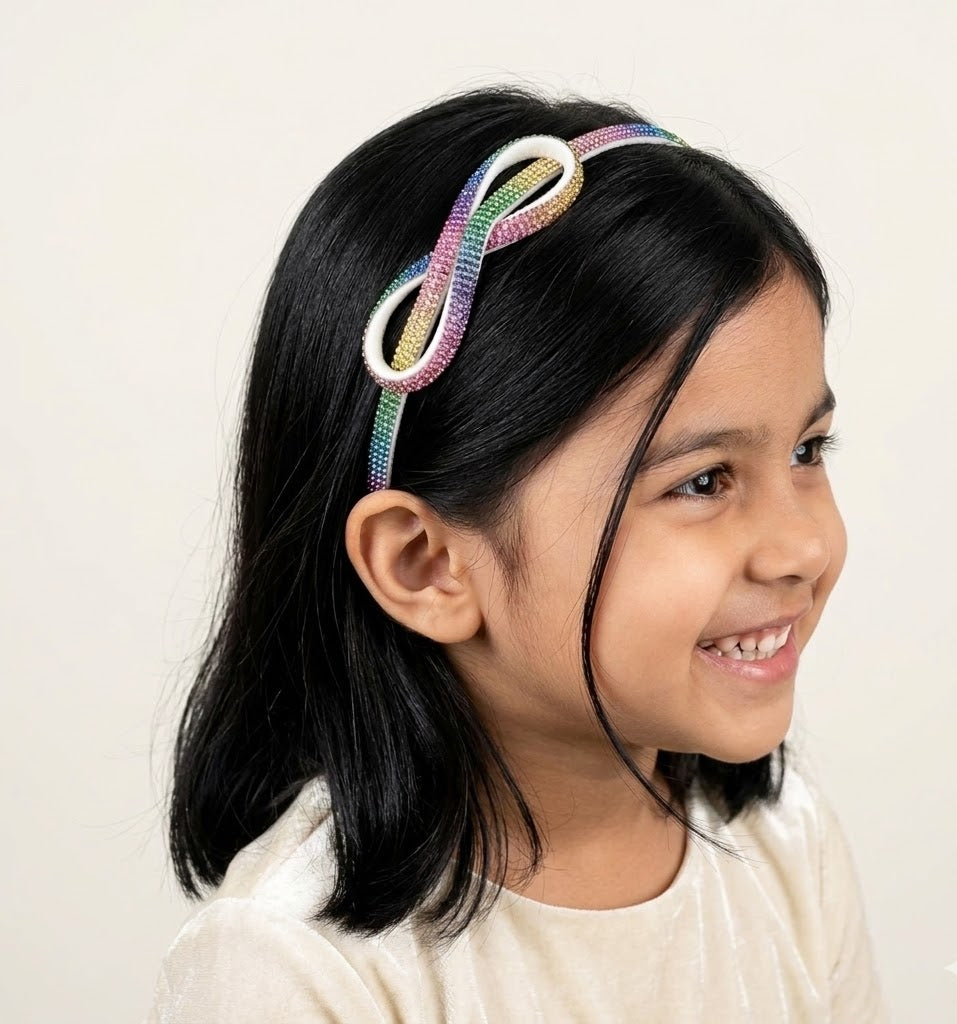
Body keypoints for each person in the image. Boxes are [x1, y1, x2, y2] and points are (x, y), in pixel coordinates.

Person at [144, 82, 889, 1022]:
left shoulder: (787, 849)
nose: (802, 547)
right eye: (703, 481)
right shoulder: (291, 970)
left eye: (807, 451)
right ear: (425, 564)